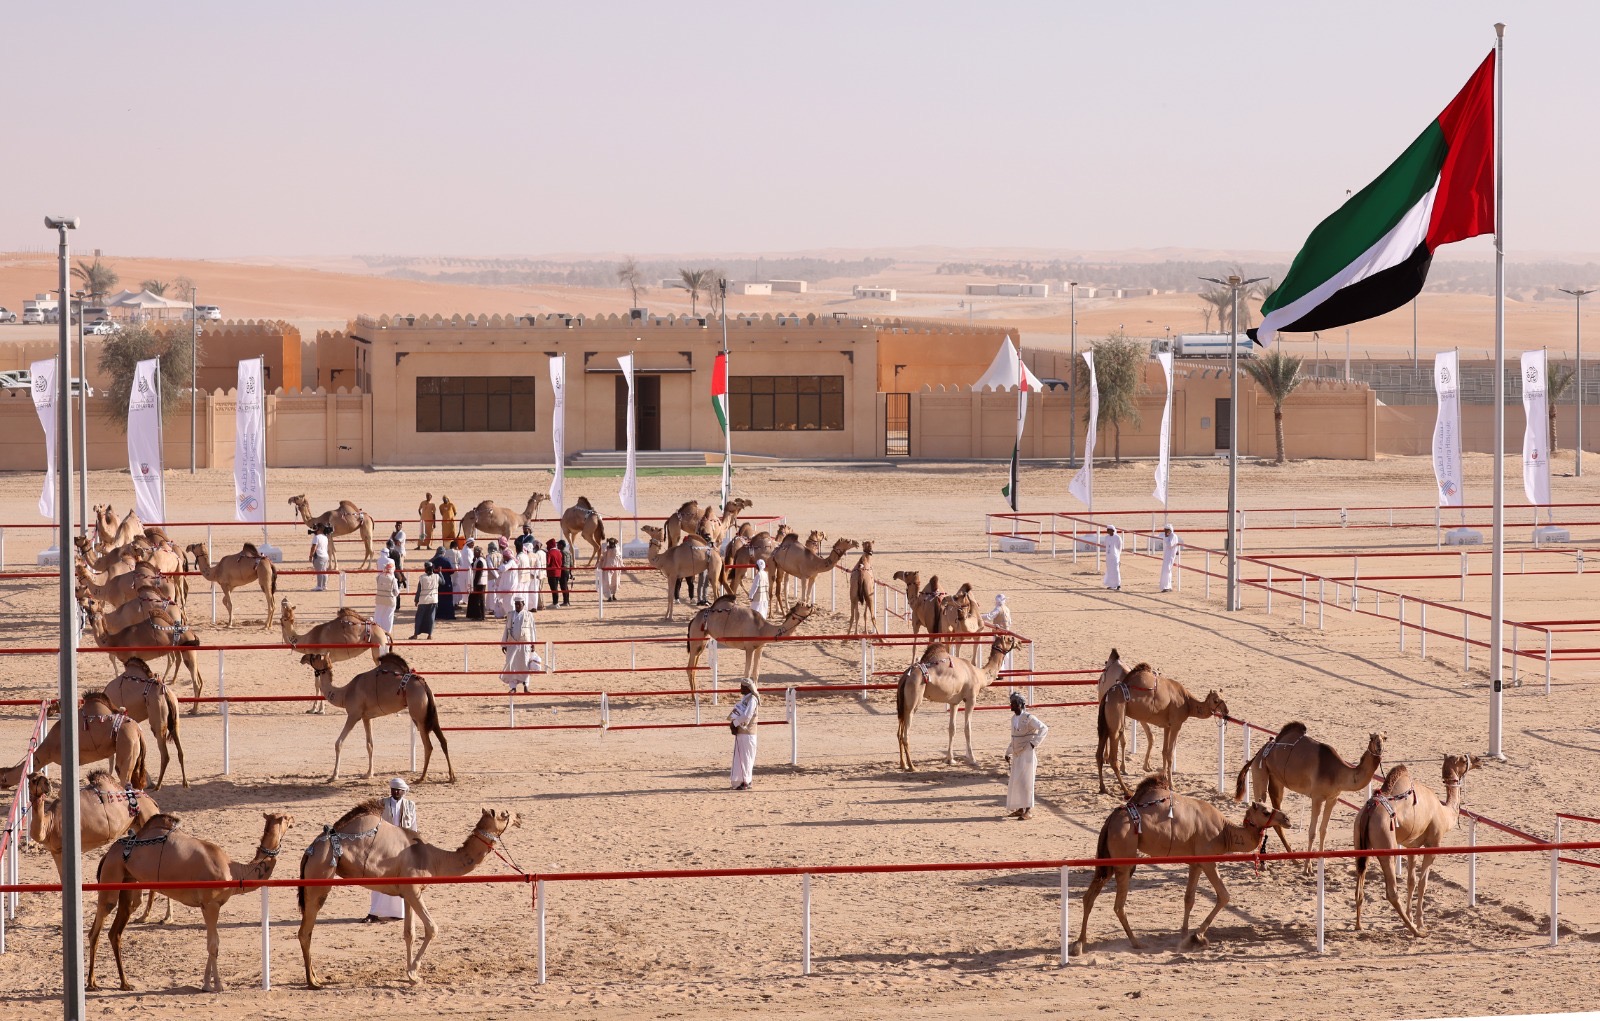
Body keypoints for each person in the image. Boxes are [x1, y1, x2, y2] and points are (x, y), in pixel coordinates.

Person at [366, 777, 418, 922]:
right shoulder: (381, 803)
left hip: (402, 848)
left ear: (404, 791)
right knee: (378, 878)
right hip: (383, 846)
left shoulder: (410, 805)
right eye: (393, 789)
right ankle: (374, 912)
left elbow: (413, 827)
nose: (395, 792)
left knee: (401, 879)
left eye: (398, 790)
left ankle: (398, 913)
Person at [1004, 693, 1048, 820]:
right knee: (1017, 780)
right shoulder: (1013, 719)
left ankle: (1028, 810)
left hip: (1027, 753)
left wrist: (1034, 743)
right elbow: (1014, 737)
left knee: (1027, 781)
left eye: (1014, 703)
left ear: (1020, 704)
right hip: (1017, 753)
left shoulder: (1029, 718)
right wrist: (1008, 752)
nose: (1011, 706)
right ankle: (1020, 808)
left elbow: (1044, 728)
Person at [500, 597, 542, 693]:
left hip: (525, 643)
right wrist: (504, 644)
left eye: (519, 604)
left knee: (525, 665)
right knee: (511, 665)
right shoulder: (510, 615)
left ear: (523, 604)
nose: (517, 606)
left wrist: (533, 643)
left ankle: (526, 686)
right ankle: (513, 687)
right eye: (516, 604)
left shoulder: (529, 615)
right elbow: (506, 630)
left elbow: (532, 629)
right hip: (512, 643)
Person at [727, 678, 759, 790]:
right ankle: (742, 781)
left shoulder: (752, 700)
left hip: (747, 733)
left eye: (742, 686)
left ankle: (745, 782)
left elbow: (746, 716)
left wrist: (734, 723)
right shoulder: (746, 699)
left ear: (747, 688)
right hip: (743, 733)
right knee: (742, 758)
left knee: (746, 758)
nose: (740, 688)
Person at [411, 561, 440, 639]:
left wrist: (416, 600)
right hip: (433, 600)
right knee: (431, 617)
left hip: (423, 600)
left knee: (419, 618)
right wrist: (439, 573)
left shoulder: (422, 578)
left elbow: (419, 590)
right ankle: (429, 635)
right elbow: (443, 582)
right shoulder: (437, 576)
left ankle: (415, 634)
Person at [429, 546, 457, 621]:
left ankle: (437, 614)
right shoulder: (446, 560)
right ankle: (447, 615)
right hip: (446, 581)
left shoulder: (432, 560)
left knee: (437, 598)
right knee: (447, 598)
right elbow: (451, 571)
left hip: (435, 582)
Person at [373, 561, 399, 633]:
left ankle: (377, 631)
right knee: (388, 617)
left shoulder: (378, 577)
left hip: (379, 599)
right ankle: (387, 633)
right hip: (390, 600)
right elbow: (396, 592)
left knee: (378, 616)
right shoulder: (393, 579)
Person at [466, 541, 487, 620]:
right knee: (477, 599)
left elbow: (479, 573)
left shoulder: (480, 561)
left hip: (480, 582)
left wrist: (474, 584)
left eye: (475, 552)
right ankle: (477, 615)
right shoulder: (478, 560)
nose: (474, 553)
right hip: (480, 582)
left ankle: (481, 616)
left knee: (479, 599)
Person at [1158, 525, 1183, 593]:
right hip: (1167, 556)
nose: (1166, 532)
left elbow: (1170, 545)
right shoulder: (1170, 536)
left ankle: (1167, 587)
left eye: (1167, 530)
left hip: (1170, 556)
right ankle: (1165, 586)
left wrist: (1166, 537)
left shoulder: (1173, 536)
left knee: (1167, 570)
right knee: (1165, 570)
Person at [599, 537, 622, 602]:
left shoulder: (617, 548)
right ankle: (609, 596)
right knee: (607, 582)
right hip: (607, 566)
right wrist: (606, 543)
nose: (612, 544)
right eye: (610, 543)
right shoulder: (606, 548)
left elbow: (619, 557)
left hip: (616, 567)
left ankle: (613, 595)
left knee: (615, 581)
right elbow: (602, 551)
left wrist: (622, 565)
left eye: (613, 543)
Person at [310, 525, 331, 592]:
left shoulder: (317, 537)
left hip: (319, 556)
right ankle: (324, 585)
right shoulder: (325, 537)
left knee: (319, 571)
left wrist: (311, 556)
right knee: (324, 571)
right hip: (325, 556)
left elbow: (314, 547)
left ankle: (319, 586)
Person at [545, 539, 564, 609]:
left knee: (553, 588)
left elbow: (548, 562)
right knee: (556, 588)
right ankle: (555, 602)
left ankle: (555, 603)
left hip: (551, 572)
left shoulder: (549, 552)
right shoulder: (559, 552)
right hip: (558, 572)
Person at [1102, 526, 1123, 591]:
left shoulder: (1117, 538)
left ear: (1113, 530)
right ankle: (1111, 585)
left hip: (1115, 557)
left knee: (1116, 571)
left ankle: (1118, 585)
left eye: (1109, 530)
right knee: (1109, 570)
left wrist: (1118, 556)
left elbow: (1120, 548)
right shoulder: (1106, 537)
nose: (1107, 531)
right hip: (1108, 557)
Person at [388, 522, 408, 590]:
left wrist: (393, 537)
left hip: (400, 553)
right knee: (395, 569)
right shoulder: (394, 533)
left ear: (401, 526)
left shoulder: (402, 534)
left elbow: (397, 543)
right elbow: (389, 542)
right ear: (395, 526)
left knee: (400, 568)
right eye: (397, 525)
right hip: (394, 554)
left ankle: (402, 583)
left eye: (399, 525)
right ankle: (400, 582)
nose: (398, 527)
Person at [557, 540, 574, 606]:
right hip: (567, 570)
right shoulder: (568, 552)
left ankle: (566, 602)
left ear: (561, 545)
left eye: (558, 545)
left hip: (563, 570)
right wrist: (570, 572)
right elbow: (571, 563)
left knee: (563, 586)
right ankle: (567, 601)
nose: (557, 546)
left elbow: (561, 562)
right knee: (565, 586)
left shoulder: (561, 552)